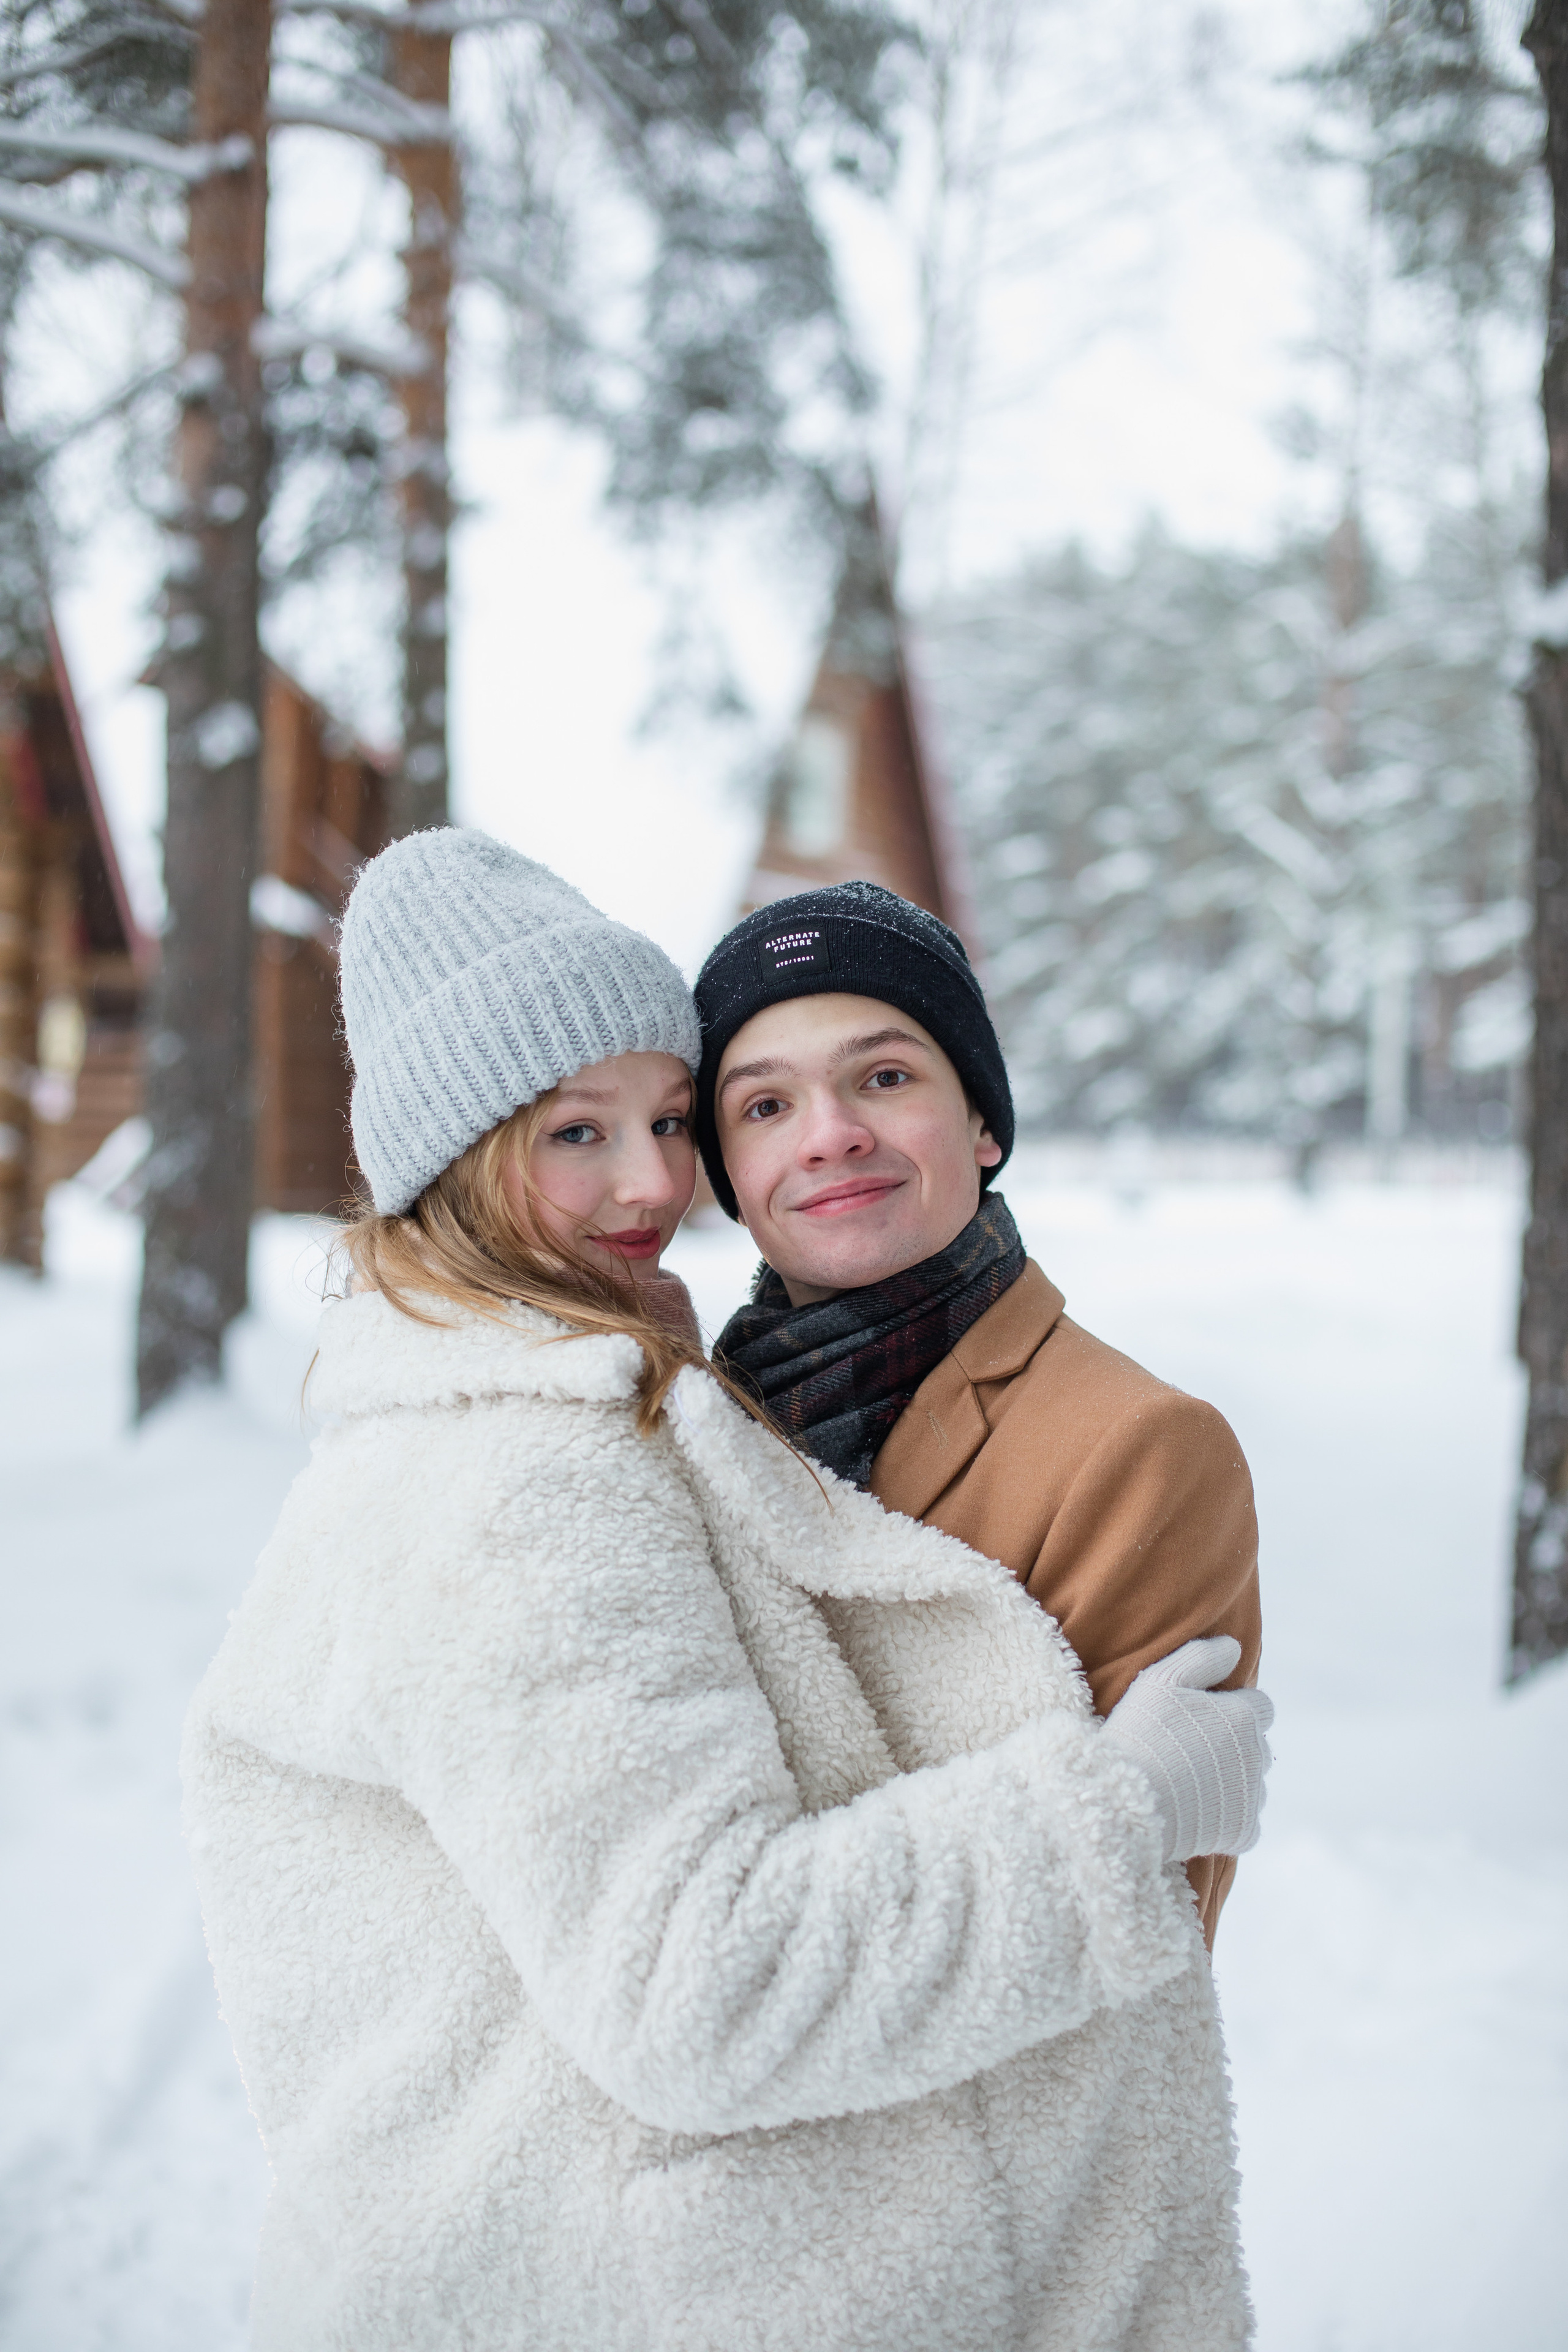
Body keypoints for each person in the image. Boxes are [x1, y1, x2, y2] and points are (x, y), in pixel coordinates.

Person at [183, 829, 1271, 2352]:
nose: (650, 1179)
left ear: (982, 1118)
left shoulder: (626, 1409)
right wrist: (1120, 1807)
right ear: (462, 1160)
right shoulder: (531, 1466)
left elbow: (1107, 2024)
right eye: (751, 1105)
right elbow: (706, 1981)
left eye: (665, 1118)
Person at [695, 881, 1264, 1948]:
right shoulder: (691, 1422)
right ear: (729, 1170)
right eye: (765, 1106)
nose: (830, 1136)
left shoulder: (1139, 1449)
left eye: (886, 1076)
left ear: (983, 1123)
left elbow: (1127, 1939)